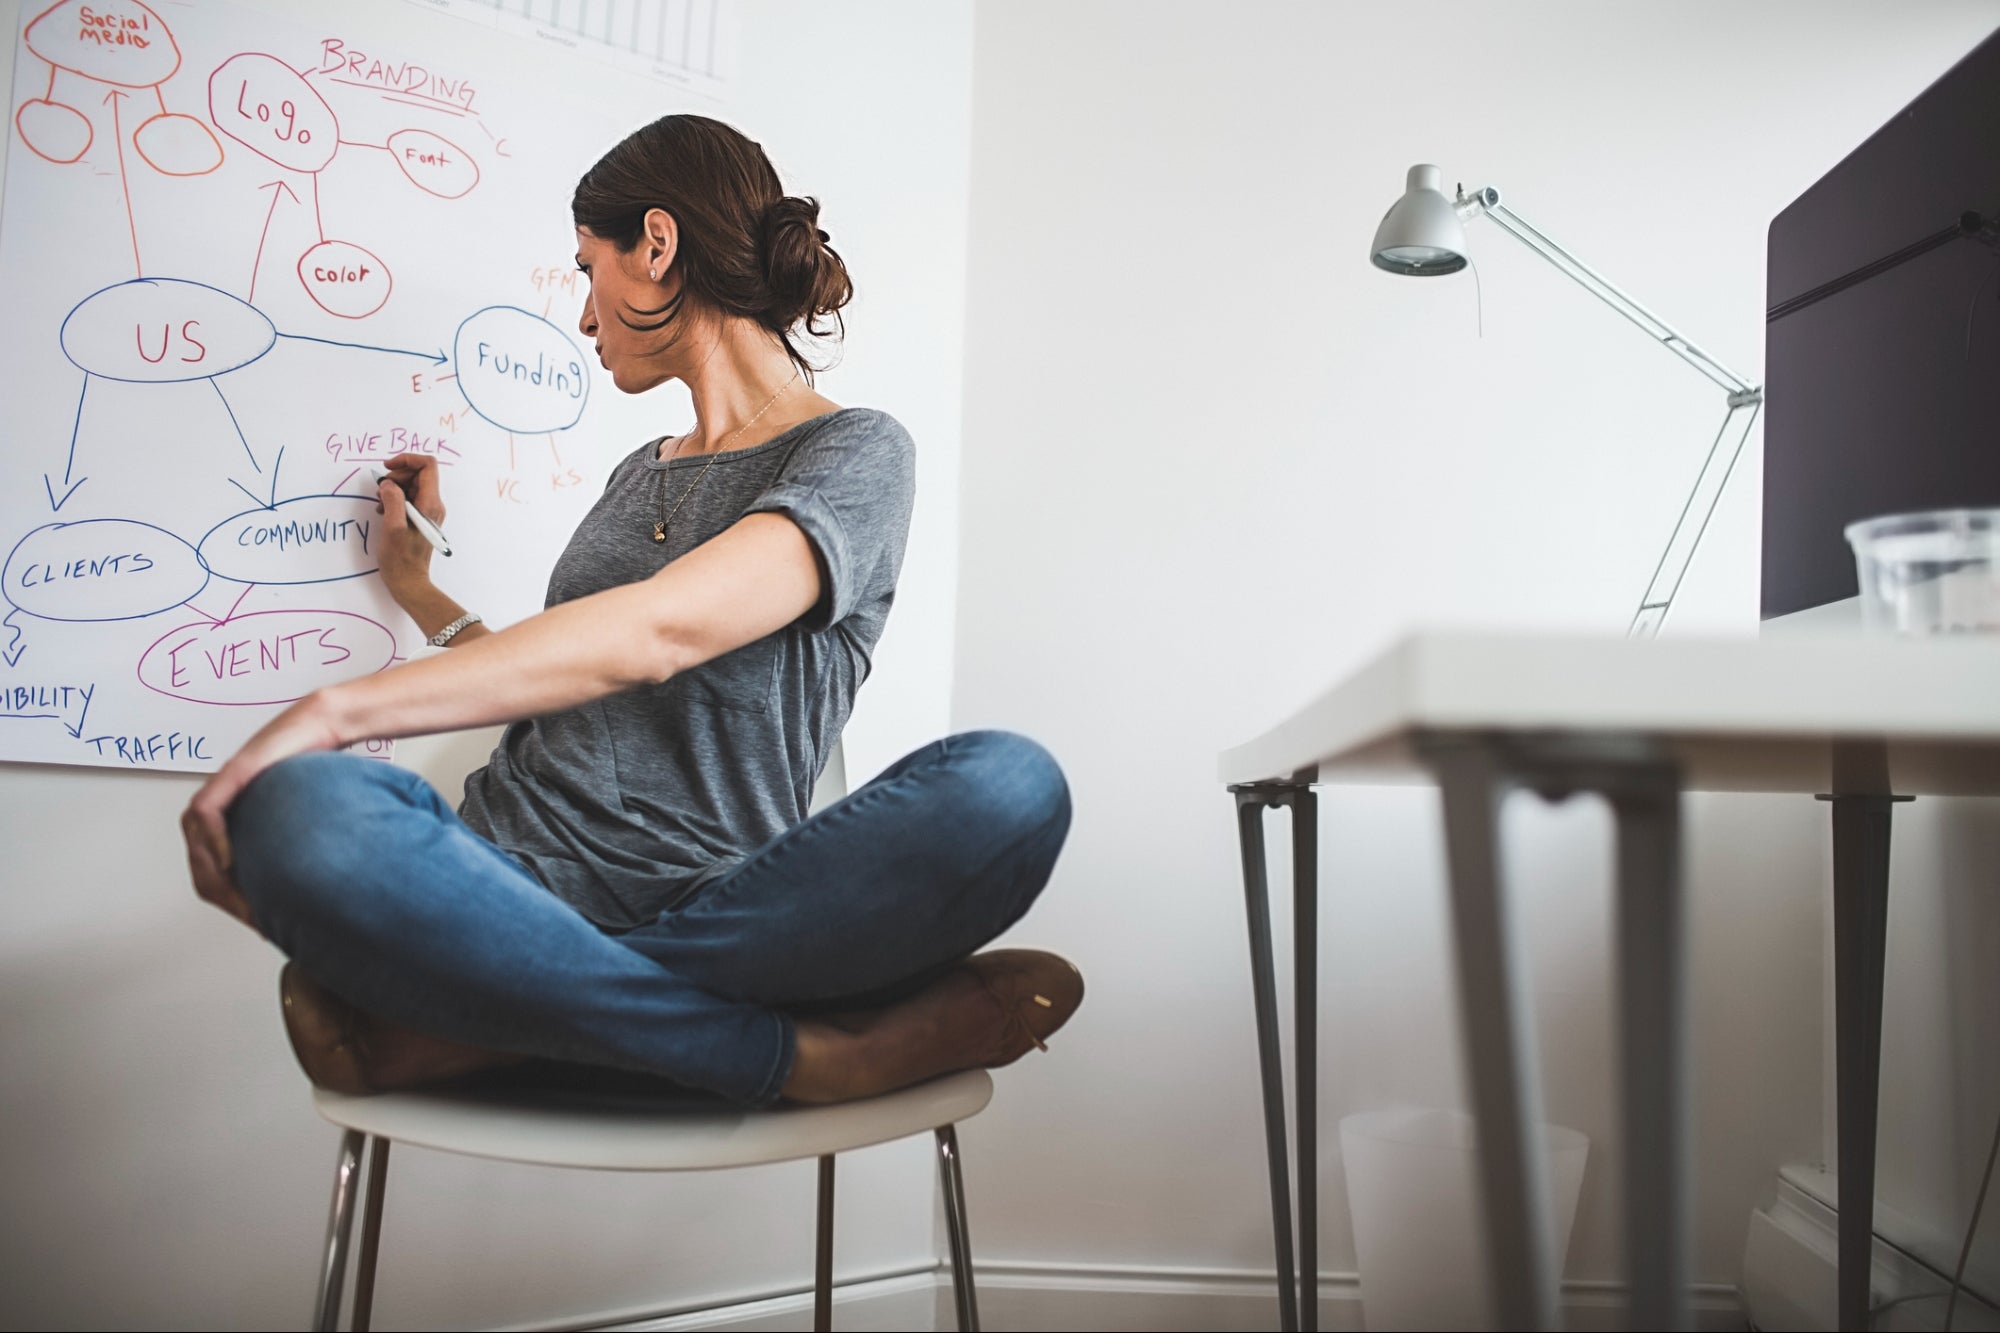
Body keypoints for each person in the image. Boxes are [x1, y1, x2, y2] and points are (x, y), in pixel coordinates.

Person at [178, 114, 1081, 1107]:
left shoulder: (857, 451)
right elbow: (586, 688)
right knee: (303, 810)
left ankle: (484, 1027)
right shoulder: (631, 473)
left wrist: (335, 710)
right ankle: (796, 1054)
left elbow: (661, 631)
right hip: (503, 889)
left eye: (585, 267)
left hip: (729, 906)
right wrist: (423, 593)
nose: (582, 314)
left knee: (1010, 785)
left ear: (655, 245)